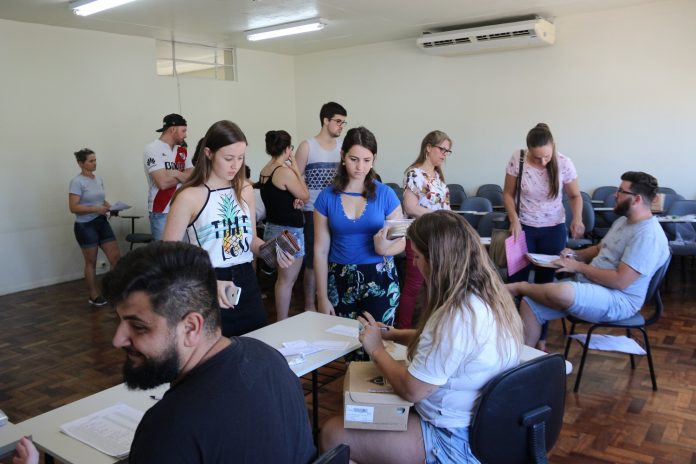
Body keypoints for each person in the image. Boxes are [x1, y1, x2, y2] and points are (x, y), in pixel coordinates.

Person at [320, 210, 523, 464]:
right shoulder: (486, 295)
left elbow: (411, 390)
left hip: (453, 439)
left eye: (417, 256)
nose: (414, 264)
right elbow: (444, 343)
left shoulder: (456, 316)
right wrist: (394, 335)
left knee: (332, 434)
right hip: (484, 428)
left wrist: (376, 349)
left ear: (436, 260)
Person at [102, 241, 315, 463]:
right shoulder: (268, 356)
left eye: (138, 327)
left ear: (191, 327)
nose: (117, 340)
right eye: (119, 321)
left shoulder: (168, 429)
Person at [507, 171, 670, 348]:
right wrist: (575, 255)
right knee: (530, 304)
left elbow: (620, 281)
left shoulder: (648, 235)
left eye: (621, 191)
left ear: (637, 199)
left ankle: (519, 287)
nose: (615, 195)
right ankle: (525, 361)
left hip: (619, 299)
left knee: (561, 292)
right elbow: (600, 248)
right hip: (593, 285)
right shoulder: (623, 221)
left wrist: (578, 267)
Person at [162, 120, 293, 337]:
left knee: (255, 342)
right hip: (208, 279)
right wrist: (207, 283)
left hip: (246, 278)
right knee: (216, 350)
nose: (235, 165)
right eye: (229, 158)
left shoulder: (245, 190)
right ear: (209, 153)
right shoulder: (189, 196)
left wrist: (271, 249)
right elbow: (167, 256)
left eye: (241, 158)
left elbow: (250, 240)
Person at [503, 123, 584, 350]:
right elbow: (508, 194)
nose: (543, 162)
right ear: (528, 149)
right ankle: (513, 337)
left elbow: (575, 196)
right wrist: (514, 220)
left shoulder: (564, 162)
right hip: (523, 229)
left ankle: (541, 340)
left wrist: (577, 219)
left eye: (547, 156)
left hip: (553, 230)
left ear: (553, 147)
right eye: (537, 158)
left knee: (544, 285)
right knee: (515, 283)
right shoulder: (518, 158)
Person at [314, 126, 405, 326]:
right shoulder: (326, 197)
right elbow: (320, 250)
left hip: (379, 276)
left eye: (366, 160)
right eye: (354, 159)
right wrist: (322, 296)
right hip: (339, 277)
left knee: (379, 339)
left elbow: (401, 242)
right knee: (341, 339)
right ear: (343, 156)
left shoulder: (386, 194)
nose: (360, 167)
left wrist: (384, 249)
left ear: (374, 159)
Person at [295, 101, 347, 312]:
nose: (341, 126)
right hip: (312, 210)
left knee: (334, 257)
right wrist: (299, 197)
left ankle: (330, 301)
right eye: (338, 121)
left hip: (337, 210)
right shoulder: (307, 146)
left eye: (343, 122)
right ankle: (310, 305)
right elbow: (296, 177)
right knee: (312, 262)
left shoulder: (342, 149)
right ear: (326, 120)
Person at [397, 130, 452, 329]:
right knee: (414, 286)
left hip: (438, 238)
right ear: (428, 148)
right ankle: (402, 330)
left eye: (447, 151)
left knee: (435, 286)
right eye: (442, 149)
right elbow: (410, 207)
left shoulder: (437, 176)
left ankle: (430, 329)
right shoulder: (414, 173)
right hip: (420, 237)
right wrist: (438, 216)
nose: (445, 154)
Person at [258, 130, 309, 320]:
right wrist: (296, 169)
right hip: (289, 232)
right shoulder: (284, 172)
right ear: (287, 149)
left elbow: (281, 199)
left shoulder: (265, 170)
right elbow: (305, 195)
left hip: (272, 228)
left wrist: (294, 201)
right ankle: (282, 322)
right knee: (286, 282)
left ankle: (281, 320)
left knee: (282, 281)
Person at [68, 148, 121, 306]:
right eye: (91, 161)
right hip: (85, 226)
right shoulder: (77, 182)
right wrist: (95, 209)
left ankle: (112, 290)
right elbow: (73, 207)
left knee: (115, 258)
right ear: (81, 163)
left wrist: (111, 208)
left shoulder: (98, 180)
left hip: (101, 222)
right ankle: (93, 294)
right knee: (91, 262)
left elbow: (101, 200)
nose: (95, 163)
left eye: (95, 160)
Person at [143, 113, 193, 240]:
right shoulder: (152, 149)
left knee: (185, 251)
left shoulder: (182, 150)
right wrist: (183, 176)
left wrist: (176, 173)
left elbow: (192, 178)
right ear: (173, 129)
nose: (186, 135)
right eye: (183, 131)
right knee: (166, 251)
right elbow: (163, 183)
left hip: (182, 209)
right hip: (161, 211)